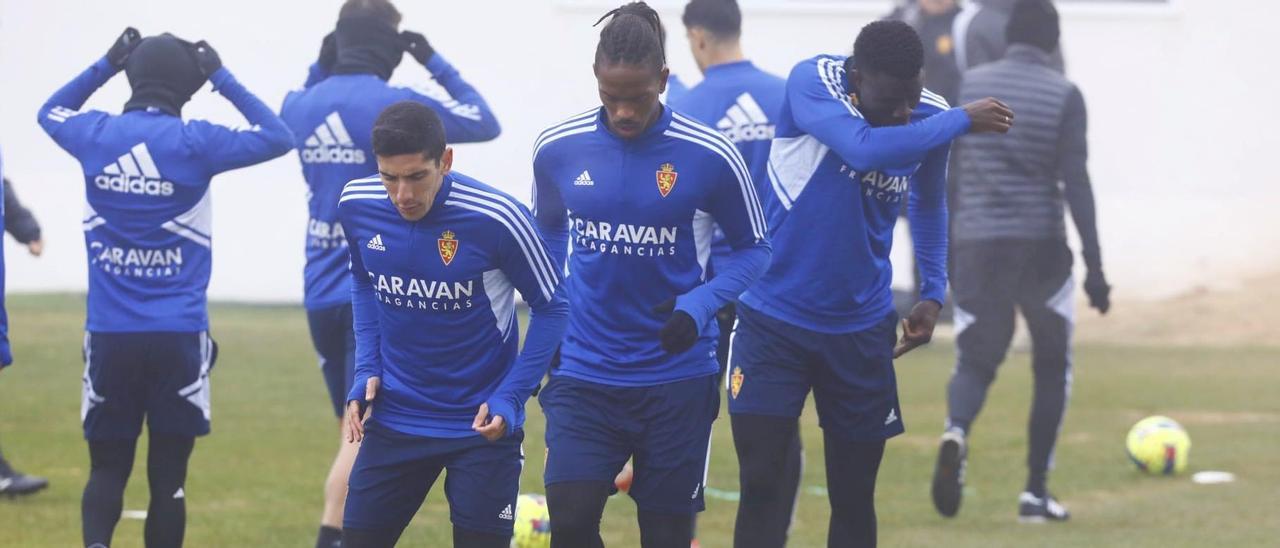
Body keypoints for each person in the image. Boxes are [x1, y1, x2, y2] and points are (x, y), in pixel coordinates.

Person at [727, 20, 1013, 547]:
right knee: (764, 484)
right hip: (772, 321)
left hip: (859, 331)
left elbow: (928, 201)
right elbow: (861, 149)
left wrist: (931, 290)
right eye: (889, 104)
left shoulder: (931, 112)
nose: (904, 114)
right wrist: (958, 121)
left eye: (911, 99)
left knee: (855, 496)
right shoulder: (812, 82)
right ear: (857, 80)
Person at [37, 28, 293, 547]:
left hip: (109, 336)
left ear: (133, 76)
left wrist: (106, 62)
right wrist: (221, 75)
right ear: (189, 87)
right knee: (169, 481)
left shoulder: (96, 135)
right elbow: (278, 135)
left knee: (106, 471)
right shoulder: (197, 141)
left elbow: (48, 112)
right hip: (180, 337)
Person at [532, 3, 770, 546]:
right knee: (569, 520)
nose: (622, 111)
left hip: (677, 377)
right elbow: (546, 236)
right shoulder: (557, 150)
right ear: (595, 79)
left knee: (665, 535)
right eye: (609, 97)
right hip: (585, 373)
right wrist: (552, 312)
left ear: (663, 79)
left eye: (637, 97)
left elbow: (757, 250)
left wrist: (702, 304)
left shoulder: (710, 154)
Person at [279, 2, 501, 545]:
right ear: (390, 46)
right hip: (382, 293)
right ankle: (333, 537)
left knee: (350, 430)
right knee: (362, 439)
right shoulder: (395, 106)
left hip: (319, 290)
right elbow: (484, 121)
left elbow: (304, 93)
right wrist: (430, 59)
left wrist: (321, 60)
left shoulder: (300, 103)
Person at [338, 101, 565, 548]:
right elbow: (363, 282)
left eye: (416, 176)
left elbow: (554, 307)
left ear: (445, 161)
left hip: (481, 426)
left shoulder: (499, 218)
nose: (402, 194)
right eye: (390, 177)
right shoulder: (356, 204)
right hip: (396, 419)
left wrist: (511, 396)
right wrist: (366, 368)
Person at [934, 0, 1109, 523]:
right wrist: (1096, 270)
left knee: (975, 358)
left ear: (1007, 34)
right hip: (1040, 247)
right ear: (1053, 42)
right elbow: (1075, 183)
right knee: (1052, 365)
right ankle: (1034, 492)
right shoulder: (1064, 94)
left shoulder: (968, 89)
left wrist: (944, 255)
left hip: (977, 244)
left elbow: (948, 176)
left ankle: (956, 430)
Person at [669, 1, 802, 544]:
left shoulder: (685, 106)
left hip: (711, 289)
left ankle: (681, 534)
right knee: (777, 426)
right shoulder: (789, 99)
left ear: (698, 38)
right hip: (776, 288)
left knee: (689, 418)